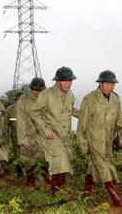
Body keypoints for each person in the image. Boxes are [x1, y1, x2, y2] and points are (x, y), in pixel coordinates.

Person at [76, 69, 122, 207]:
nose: (110, 86)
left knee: (95, 165)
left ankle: (87, 191)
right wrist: (82, 143)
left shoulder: (115, 99)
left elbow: (120, 119)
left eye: (112, 84)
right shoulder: (90, 99)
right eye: (107, 83)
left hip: (107, 141)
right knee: (105, 166)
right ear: (100, 83)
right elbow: (82, 123)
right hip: (93, 140)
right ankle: (115, 197)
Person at [32, 66, 80, 197]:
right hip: (52, 135)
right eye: (65, 81)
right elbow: (35, 113)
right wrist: (46, 130)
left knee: (63, 162)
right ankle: (58, 192)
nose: (68, 83)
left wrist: (85, 115)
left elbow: (71, 109)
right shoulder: (46, 95)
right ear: (58, 81)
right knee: (61, 162)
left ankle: (51, 180)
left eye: (70, 81)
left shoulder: (70, 94)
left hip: (65, 136)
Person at [17, 77, 51, 188]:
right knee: (29, 159)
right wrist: (22, 139)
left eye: (40, 90)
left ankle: (44, 177)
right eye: (36, 90)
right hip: (29, 134)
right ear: (31, 88)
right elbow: (20, 120)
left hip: (43, 134)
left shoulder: (46, 98)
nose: (38, 92)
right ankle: (30, 181)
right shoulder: (23, 100)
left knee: (45, 157)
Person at [5, 91, 24, 181]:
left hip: (29, 137)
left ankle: (31, 175)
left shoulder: (30, 109)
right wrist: (5, 140)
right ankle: (20, 174)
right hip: (16, 138)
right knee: (17, 156)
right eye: (17, 100)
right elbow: (5, 126)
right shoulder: (9, 110)